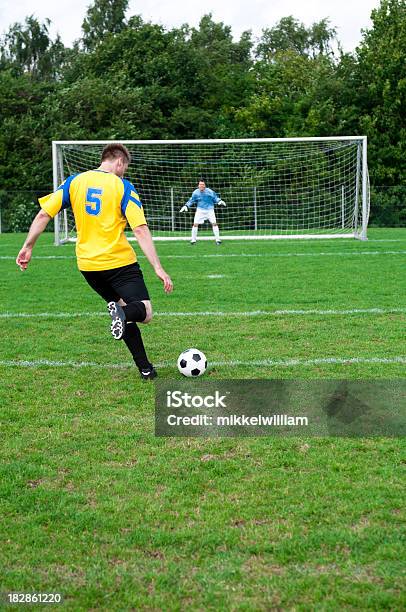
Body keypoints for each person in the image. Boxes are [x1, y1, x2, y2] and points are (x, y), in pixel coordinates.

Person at [16, 143, 173, 381]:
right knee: (145, 312)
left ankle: (146, 369)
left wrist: (28, 246)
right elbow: (139, 228)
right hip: (119, 263)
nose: (124, 172)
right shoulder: (123, 186)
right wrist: (158, 268)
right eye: (125, 168)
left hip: (88, 266)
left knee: (123, 313)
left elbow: (44, 214)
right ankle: (122, 315)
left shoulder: (74, 182)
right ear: (119, 161)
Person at [180, 179, 226, 245]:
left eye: (203, 184)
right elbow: (191, 200)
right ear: (198, 185)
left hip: (210, 210)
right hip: (200, 210)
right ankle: (193, 240)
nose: (201, 186)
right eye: (200, 184)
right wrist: (186, 206)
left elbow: (215, 198)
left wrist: (219, 201)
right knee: (195, 224)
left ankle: (218, 240)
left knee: (214, 224)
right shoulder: (195, 192)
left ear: (205, 185)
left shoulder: (210, 191)